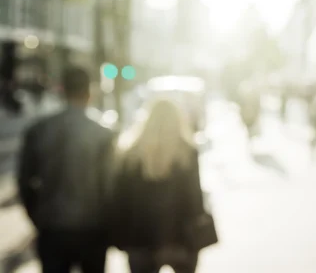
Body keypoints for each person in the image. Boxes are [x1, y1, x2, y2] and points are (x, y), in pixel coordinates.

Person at [18, 66, 115, 273]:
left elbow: (24, 181)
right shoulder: (103, 135)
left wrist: (38, 215)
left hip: (52, 225)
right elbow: (111, 185)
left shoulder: (39, 130)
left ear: (63, 91)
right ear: (89, 92)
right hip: (93, 227)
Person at [111, 98, 213, 273]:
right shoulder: (187, 152)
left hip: (140, 239)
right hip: (180, 239)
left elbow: (120, 200)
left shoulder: (131, 154)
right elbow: (194, 199)